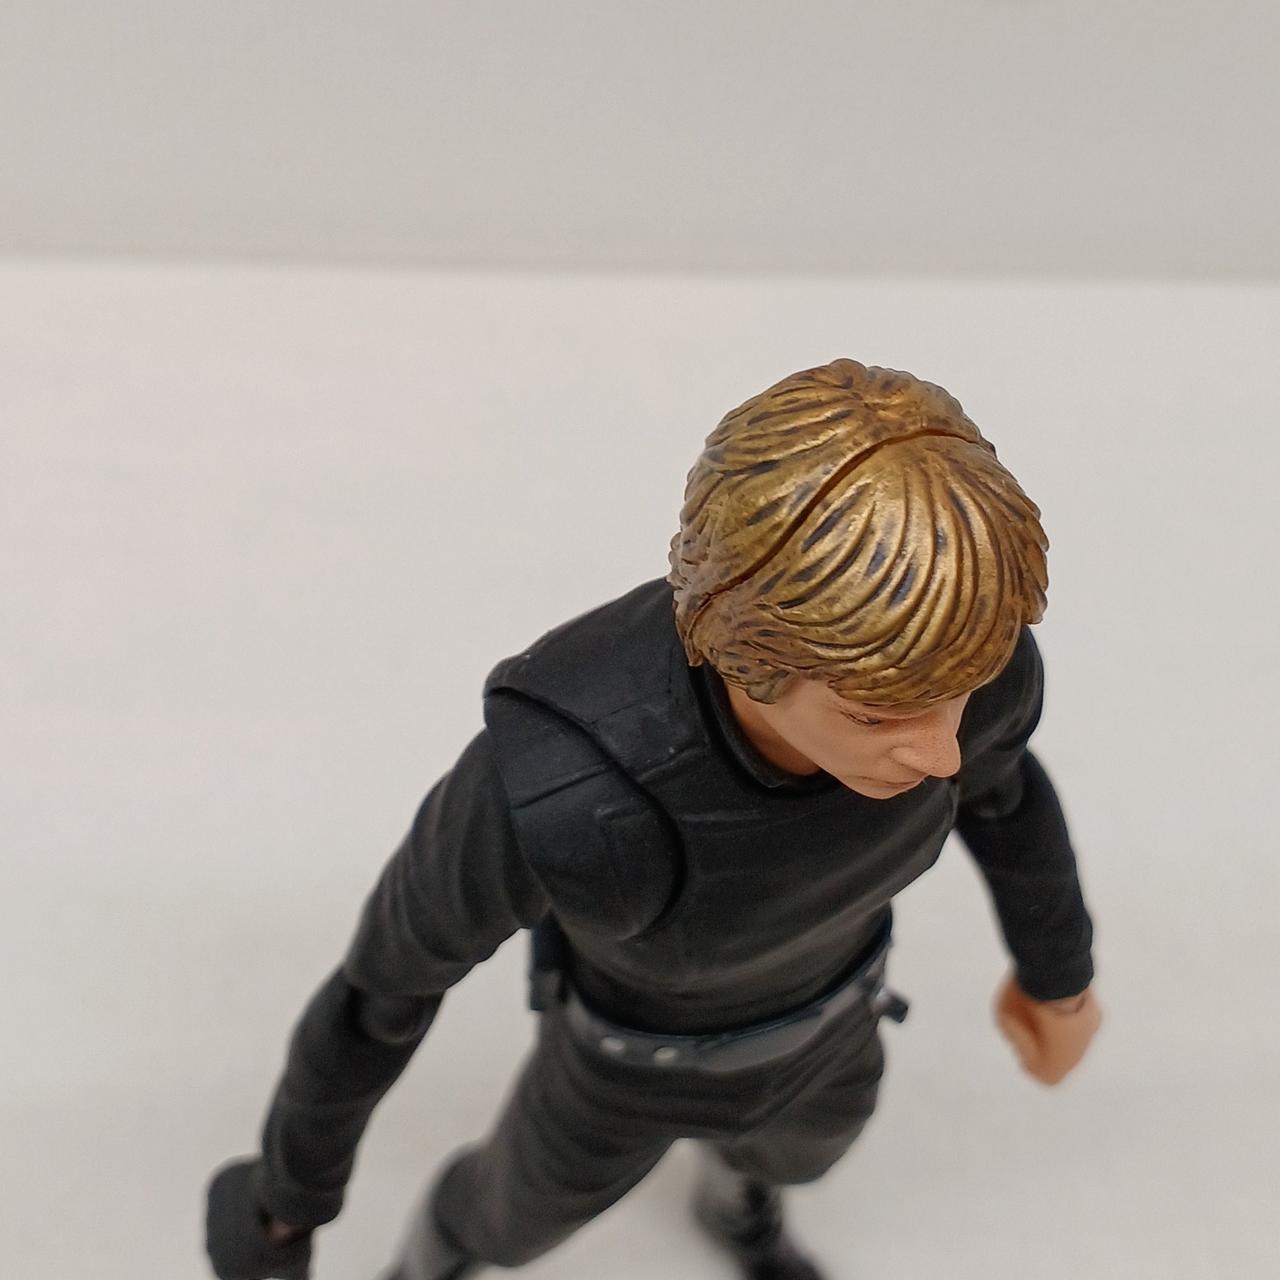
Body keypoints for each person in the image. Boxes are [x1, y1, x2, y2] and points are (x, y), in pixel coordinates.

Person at [204, 359, 1100, 1280]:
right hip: (621, 1074)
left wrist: (1059, 978)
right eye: (877, 715)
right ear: (748, 653)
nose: (941, 754)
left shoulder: (970, 672)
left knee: (798, 1159)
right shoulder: (574, 786)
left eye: (959, 694)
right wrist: (286, 1208)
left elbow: (1006, 798)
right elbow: (385, 990)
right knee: (506, 1224)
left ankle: (740, 1205)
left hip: (832, 1030)